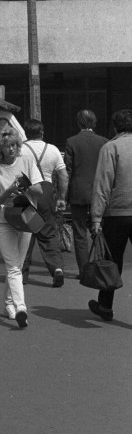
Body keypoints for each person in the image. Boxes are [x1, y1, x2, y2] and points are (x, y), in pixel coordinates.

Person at [0, 126, 43, 328]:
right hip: (3, 220)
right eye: (6, 146)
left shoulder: (27, 160)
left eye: (13, 145)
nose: (10, 149)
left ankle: (9, 303)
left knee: (17, 264)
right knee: (13, 266)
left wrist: (25, 185)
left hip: (25, 218)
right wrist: (10, 189)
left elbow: (40, 189)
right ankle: (21, 308)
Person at [88, 109, 132, 321]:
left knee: (112, 261)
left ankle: (105, 306)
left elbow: (102, 185)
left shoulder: (111, 147)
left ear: (115, 127)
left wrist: (96, 217)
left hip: (117, 214)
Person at [20, 118, 69, 287]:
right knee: (48, 232)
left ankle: (22, 275)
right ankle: (57, 269)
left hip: (27, 192)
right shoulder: (53, 150)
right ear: (42, 132)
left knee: (26, 233)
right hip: (47, 191)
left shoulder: (20, 150)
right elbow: (63, 176)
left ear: (26, 133)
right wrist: (62, 198)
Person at [64, 110, 108, 278]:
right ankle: (101, 266)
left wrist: (63, 196)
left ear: (79, 123)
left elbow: (68, 170)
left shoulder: (72, 142)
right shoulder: (104, 142)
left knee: (80, 233)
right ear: (94, 123)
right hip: (99, 193)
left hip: (78, 193)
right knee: (99, 231)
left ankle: (84, 271)